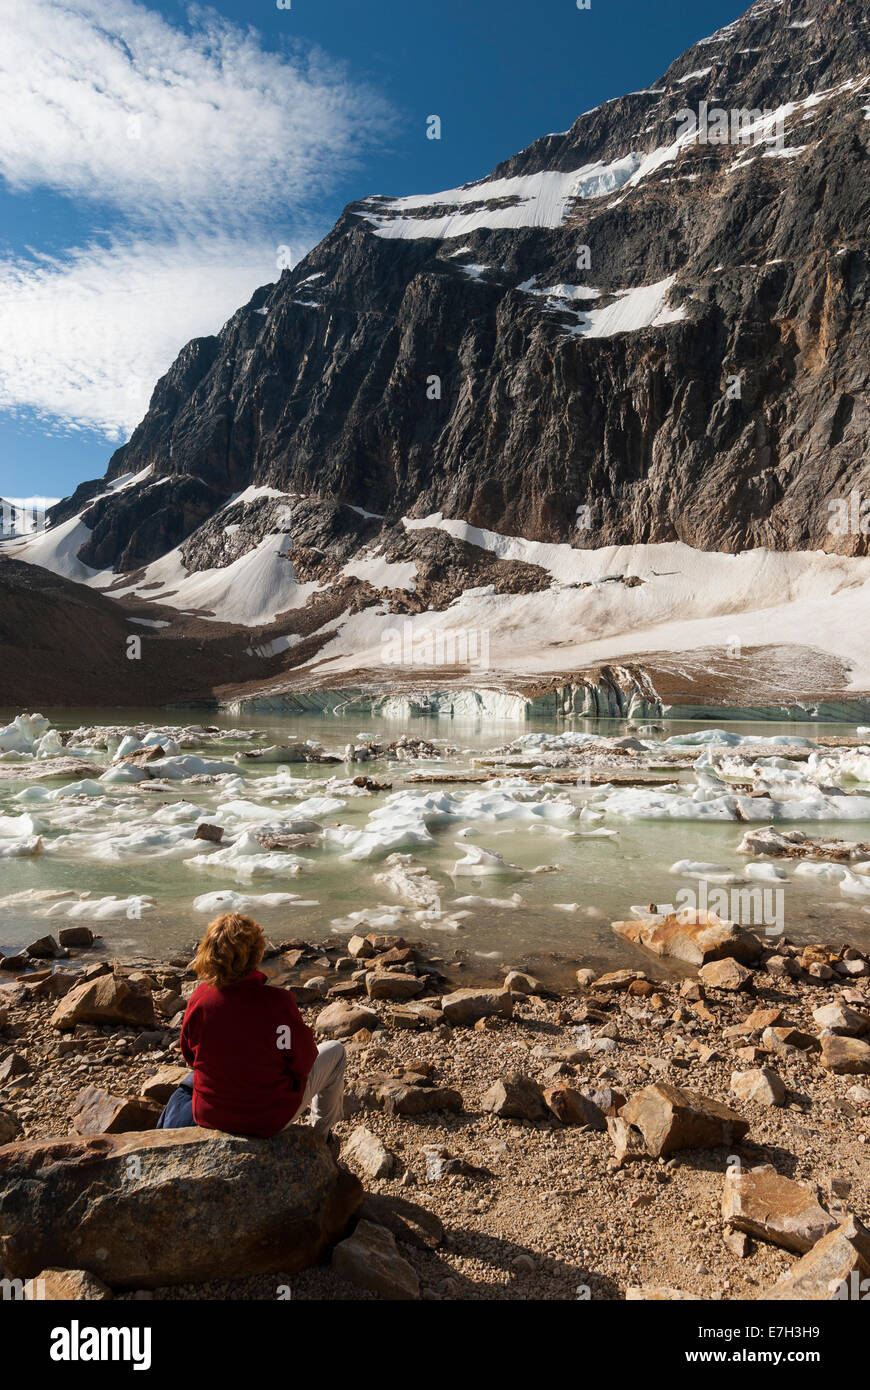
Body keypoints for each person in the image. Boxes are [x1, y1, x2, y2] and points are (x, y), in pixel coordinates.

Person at [157, 912, 345, 1142]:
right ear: (256, 953)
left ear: (209, 952)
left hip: (211, 1114)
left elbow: (190, 1055)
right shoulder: (278, 1002)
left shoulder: (200, 999)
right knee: (336, 1052)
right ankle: (320, 1136)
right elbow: (304, 1061)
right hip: (267, 1120)